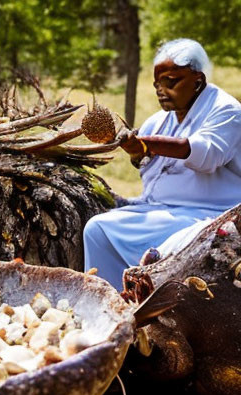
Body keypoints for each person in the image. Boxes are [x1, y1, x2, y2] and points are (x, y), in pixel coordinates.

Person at [83, 38, 241, 287]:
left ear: (198, 81)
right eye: (157, 83)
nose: (160, 90)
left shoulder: (226, 111)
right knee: (97, 228)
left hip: (209, 216)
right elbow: (148, 169)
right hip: (160, 209)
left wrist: (147, 144)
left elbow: (207, 155)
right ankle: (110, 301)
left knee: (163, 248)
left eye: (171, 81)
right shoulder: (158, 121)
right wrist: (138, 153)